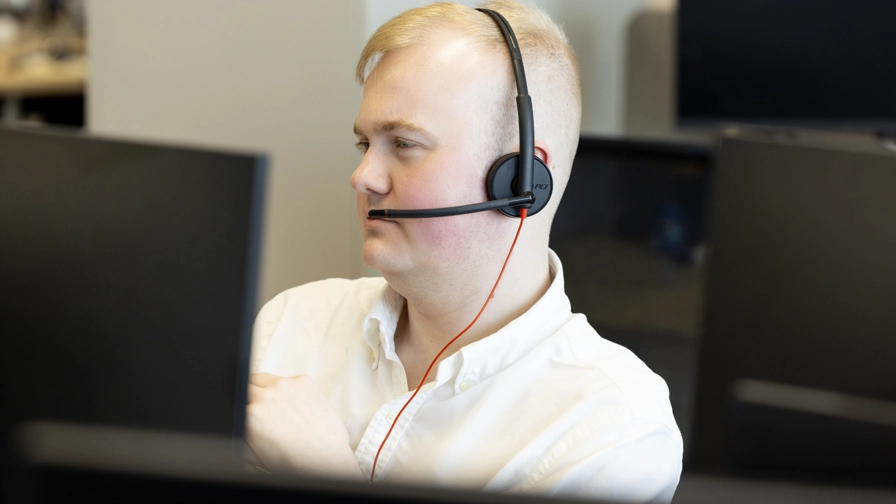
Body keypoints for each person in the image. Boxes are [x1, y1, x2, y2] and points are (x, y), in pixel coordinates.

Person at [245, 1, 683, 502]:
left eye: (404, 144)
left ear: (521, 179)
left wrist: (323, 478)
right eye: (365, 144)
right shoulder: (291, 323)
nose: (362, 177)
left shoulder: (611, 427)